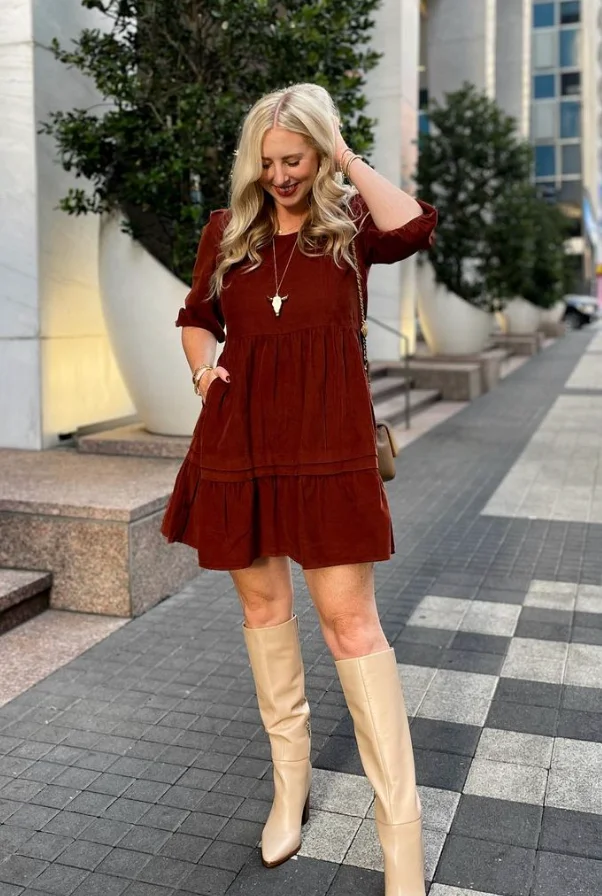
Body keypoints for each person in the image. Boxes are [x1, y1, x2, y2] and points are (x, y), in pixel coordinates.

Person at [162, 82, 437, 896]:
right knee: (262, 611)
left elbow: (415, 223)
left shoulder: (350, 227)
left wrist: (349, 157)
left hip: (328, 444)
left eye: (295, 158)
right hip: (240, 441)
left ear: (318, 154)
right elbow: (194, 314)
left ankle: (402, 836)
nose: (280, 175)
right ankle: (292, 786)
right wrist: (203, 370)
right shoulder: (228, 232)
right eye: (268, 161)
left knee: (351, 627)